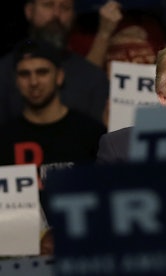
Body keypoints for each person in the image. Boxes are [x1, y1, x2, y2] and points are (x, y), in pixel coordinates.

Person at [0, 39, 107, 255]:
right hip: (20, 256)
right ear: (15, 81)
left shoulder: (90, 132)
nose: (33, 82)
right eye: (24, 74)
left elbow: (107, 197)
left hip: (85, 247)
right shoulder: (3, 138)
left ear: (59, 76)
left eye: (42, 72)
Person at [0, 0, 109, 125]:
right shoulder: (3, 72)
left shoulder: (93, 78)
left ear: (74, 15)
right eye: (48, 5)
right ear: (29, 11)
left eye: (65, 8)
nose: (56, 14)